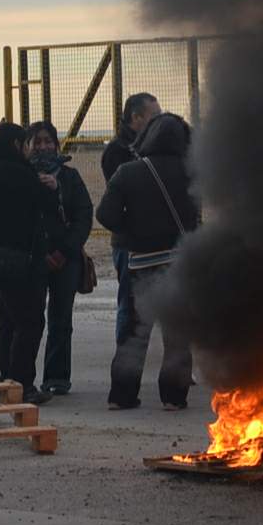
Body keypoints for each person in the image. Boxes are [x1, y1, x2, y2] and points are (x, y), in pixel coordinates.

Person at [97, 111, 198, 411]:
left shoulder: (128, 172)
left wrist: (134, 232)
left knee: (134, 333)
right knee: (178, 334)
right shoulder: (193, 173)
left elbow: (105, 215)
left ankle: (122, 395)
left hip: (141, 265)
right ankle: (173, 397)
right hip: (180, 265)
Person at [0, 118, 72, 407]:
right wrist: (51, 188)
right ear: (17, 145)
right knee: (29, 323)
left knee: (8, 323)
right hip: (20, 261)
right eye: (27, 144)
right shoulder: (17, 173)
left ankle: (8, 381)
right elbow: (43, 206)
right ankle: (22, 385)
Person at [26, 119, 93, 398]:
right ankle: (22, 378)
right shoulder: (22, 177)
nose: (43, 146)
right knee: (30, 319)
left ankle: (56, 377)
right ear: (28, 146)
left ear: (56, 143)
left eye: (48, 141)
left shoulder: (70, 177)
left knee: (61, 319)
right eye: (37, 141)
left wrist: (64, 251)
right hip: (33, 259)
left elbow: (83, 217)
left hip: (66, 258)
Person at [100, 94, 160, 346]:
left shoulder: (155, 147)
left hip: (160, 239)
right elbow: (114, 206)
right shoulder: (117, 152)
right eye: (154, 116)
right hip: (130, 244)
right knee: (130, 303)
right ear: (136, 118)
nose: (159, 122)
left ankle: (177, 366)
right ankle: (126, 362)